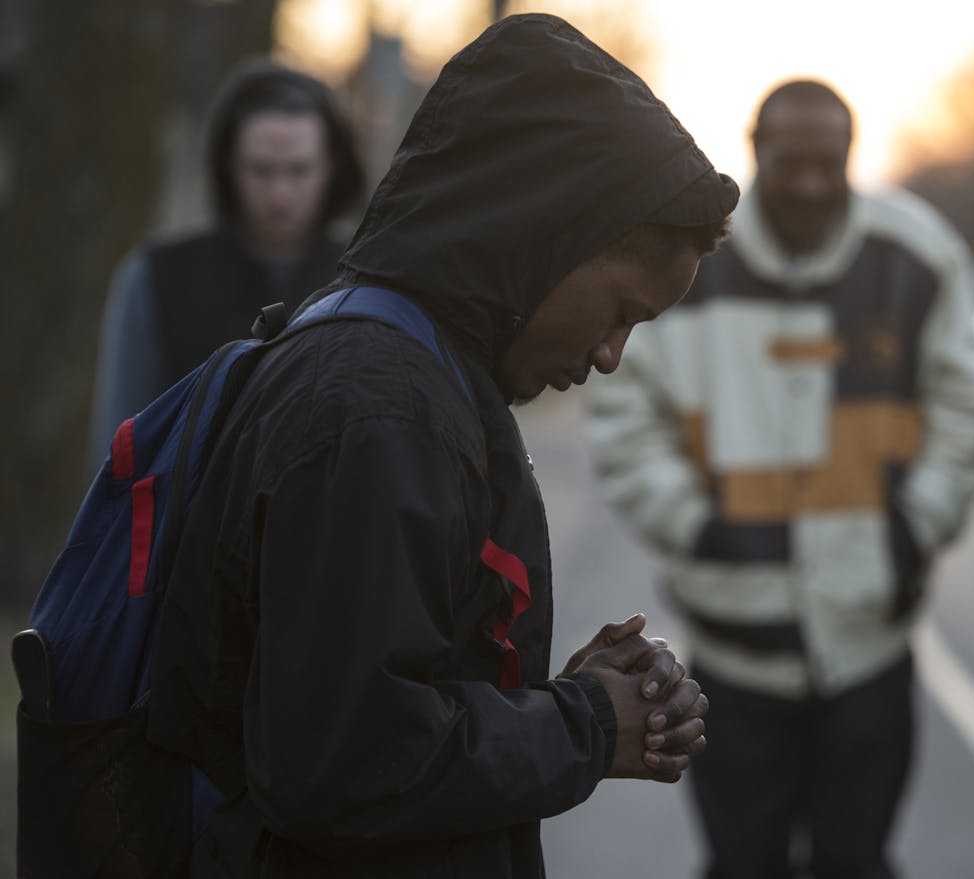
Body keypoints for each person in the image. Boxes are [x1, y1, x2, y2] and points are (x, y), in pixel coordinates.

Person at [142, 14, 739, 876]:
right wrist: (589, 724)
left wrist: (561, 696)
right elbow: (345, 764)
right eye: (621, 313)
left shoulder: (397, 369)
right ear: (546, 240)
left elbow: (374, 688)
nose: (611, 354)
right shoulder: (383, 415)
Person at [584, 79, 974, 878]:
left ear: (852, 155)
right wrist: (694, 521)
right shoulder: (690, 259)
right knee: (741, 863)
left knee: (857, 859)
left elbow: (964, 405)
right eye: (790, 160)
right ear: (753, 150)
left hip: (871, 648)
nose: (809, 180)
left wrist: (917, 525)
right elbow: (624, 409)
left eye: (828, 161)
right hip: (732, 659)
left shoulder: (917, 255)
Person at [87, 60, 365, 469]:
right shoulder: (156, 279)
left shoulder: (360, 286)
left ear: (331, 168)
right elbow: (118, 454)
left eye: (299, 170)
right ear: (228, 167)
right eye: (261, 170)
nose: (280, 193)